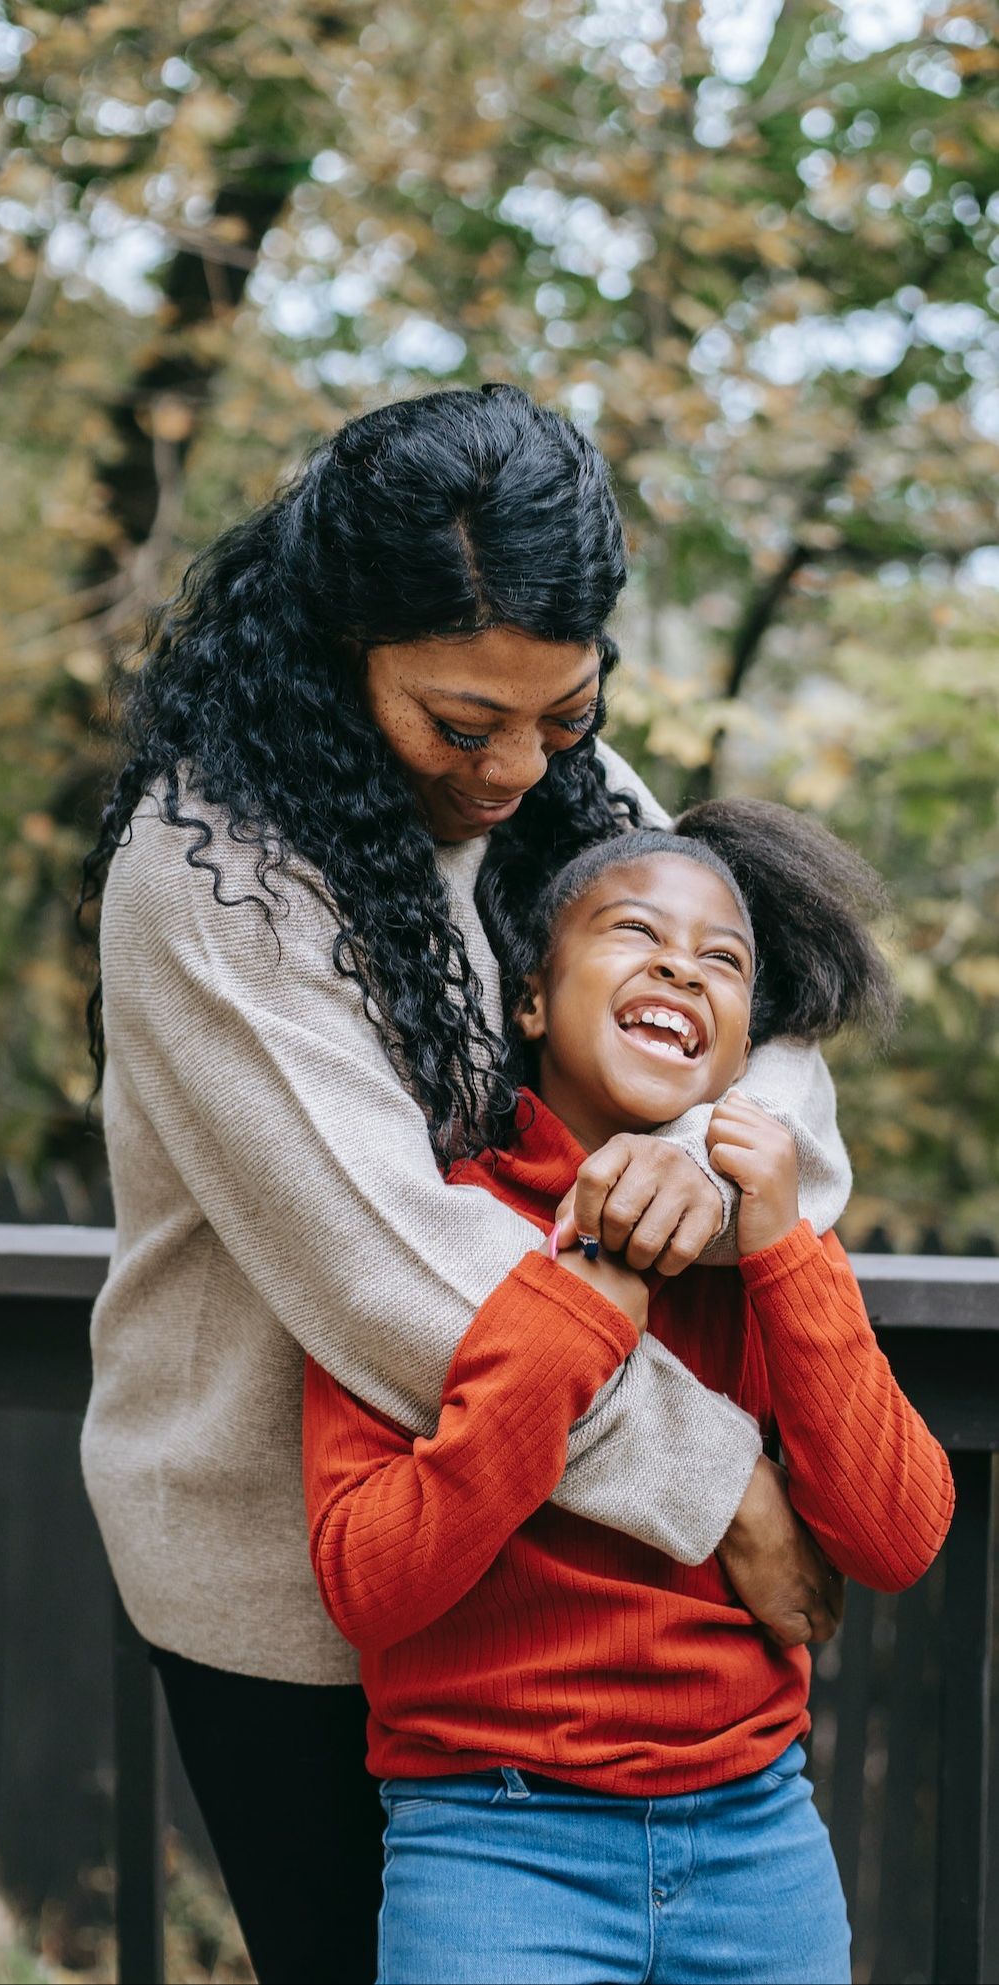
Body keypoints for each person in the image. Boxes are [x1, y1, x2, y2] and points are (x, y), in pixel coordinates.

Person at [80, 387, 851, 1984]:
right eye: (460, 726)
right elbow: (399, 1273)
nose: (514, 769)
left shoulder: (577, 785)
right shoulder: (211, 871)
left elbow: (770, 1057)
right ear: (336, 648)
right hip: (306, 1602)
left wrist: (706, 1179)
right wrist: (727, 1489)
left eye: (562, 714)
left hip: (565, 1582)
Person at [304, 800, 954, 1985]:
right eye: (634, 931)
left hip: (758, 1836)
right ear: (532, 999)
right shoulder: (431, 1226)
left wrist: (785, 1250)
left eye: (724, 959)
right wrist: (579, 1313)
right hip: (494, 1845)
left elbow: (898, 1536)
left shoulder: (773, 1245)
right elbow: (369, 1581)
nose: (680, 964)